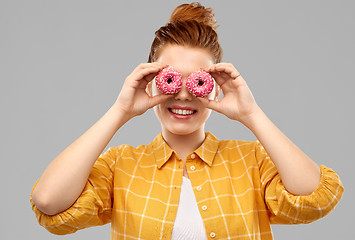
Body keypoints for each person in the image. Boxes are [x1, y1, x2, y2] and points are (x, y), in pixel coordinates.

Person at [30, 2, 343, 239]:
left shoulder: (252, 162)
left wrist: (251, 114)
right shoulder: (120, 166)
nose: (182, 95)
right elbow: (49, 202)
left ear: (216, 83)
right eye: (170, 79)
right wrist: (120, 111)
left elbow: (315, 198)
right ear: (150, 80)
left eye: (197, 81)